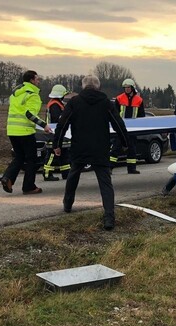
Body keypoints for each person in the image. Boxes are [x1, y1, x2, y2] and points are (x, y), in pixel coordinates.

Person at [52, 75, 130, 231]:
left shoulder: (74, 102)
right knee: (105, 182)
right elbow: (118, 124)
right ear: (98, 87)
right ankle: (109, 217)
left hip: (79, 147)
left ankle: (67, 204)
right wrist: (125, 142)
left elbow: (63, 124)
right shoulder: (106, 103)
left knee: (73, 175)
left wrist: (57, 144)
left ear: (83, 86)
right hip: (100, 148)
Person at [2, 70, 51, 195]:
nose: (39, 81)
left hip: (12, 130)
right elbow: (29, 114)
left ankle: (8, 178)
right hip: (25, 131)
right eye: (37, 79)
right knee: (31, 159)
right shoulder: (33, 95)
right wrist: (44, 125)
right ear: (32, 80)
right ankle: (28, 186)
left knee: (19, 156)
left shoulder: (15, 94)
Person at [110, 78, 144, 174]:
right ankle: (109, 168)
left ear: (132, 88)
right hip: (121, 128)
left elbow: (142, 115)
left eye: (128, 87)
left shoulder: (139, 100)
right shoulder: (119, 98)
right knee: (115, 148)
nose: (127, 89)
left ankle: (131, 169)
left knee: (132, 149)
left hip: (133, 128)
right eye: (125, 88)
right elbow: (115, 113)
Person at [43, 84, 71, 181]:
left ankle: (66, 173)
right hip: (53, 134)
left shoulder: (57, 104)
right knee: (51, 154)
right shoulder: (55, 105)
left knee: (64, 153)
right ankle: (47, 174)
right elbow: (57, 119)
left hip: (58, 133)